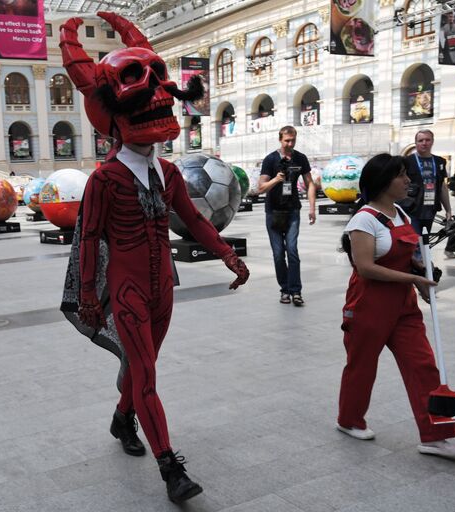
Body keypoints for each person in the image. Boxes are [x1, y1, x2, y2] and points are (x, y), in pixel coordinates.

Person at [59, 13, 249, 504]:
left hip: (165, 286)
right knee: (146, 373)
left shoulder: (168, 172)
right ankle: (170, 468)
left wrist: (227, 254)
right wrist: (86, 295)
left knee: (143, 368)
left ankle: (123, 418)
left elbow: (195, 220)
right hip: (125, 290)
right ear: (113, 117)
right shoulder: (104, 180)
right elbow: (89, 240)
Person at [338, 153, 455, 458]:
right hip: (368, 304)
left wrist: (421, 273)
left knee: (423, 366)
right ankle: (349, 419)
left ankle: (436, 435)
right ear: (383, 181)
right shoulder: (364, 220)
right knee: (362, 367)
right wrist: (413, 279)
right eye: (401, 175)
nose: (408, 180)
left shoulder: (402, 215)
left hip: (404, 307)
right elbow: (365, 267)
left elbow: (409, 257)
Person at [258, 125, 317, 306]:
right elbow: (260, 188)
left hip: (292, 210)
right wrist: (276, 179)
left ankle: (296, 291)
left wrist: (312, 208)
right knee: (278, 253)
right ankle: (285, 290)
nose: (290, 144)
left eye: (293, 140)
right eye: (287, 141)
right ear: (280, 139)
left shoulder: (300, 158)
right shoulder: (270, 159)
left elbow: (310, 184)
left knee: (292, 250)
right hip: (273, 211)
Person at [402, 130, 452, 238]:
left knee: (425, 241)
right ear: (416, 143)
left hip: (430, 209)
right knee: (415, 241)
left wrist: (448, 210)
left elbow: (442, 187)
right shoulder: (406, 161)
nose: (424, 143)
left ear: (432, 141)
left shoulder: (439, 162)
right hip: (411, 209)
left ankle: (423, 254)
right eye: (420, 140)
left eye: (427, 140)